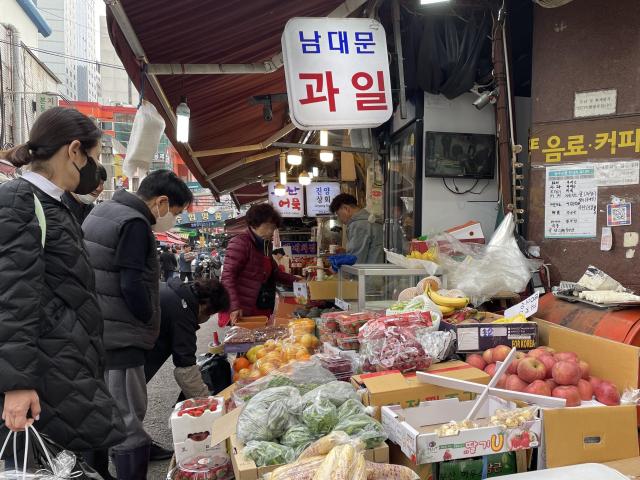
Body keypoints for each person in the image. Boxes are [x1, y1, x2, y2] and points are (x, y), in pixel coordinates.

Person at [0, 107, 125, 476]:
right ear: (74, 150)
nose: (94, 170)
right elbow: (13, 298)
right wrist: (17, 385)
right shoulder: (20, 201)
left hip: (68, 366)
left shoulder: (52, 204)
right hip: (48, 378)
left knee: (79, 465)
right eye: (93, 157)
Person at [83, 169, 193, 479]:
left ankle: (98, 473)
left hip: (95, 331)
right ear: (160, 202)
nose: (172, 218)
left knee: (102, 413)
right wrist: (146, 317)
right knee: (128, 418)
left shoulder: (103, 211)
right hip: (120, 336)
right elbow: (131, 282)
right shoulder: (134, 223)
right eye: (175, 211)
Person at [145, 278, 230, 397]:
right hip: (126, 356)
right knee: (126, 406)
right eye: (211, 314)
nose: (207, 319)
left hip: (117, 343)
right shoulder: (183, 313)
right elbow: (186, 368)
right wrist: (206, 403)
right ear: (206, 305)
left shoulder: (177, 292)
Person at [220, 204, 297, 326]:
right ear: (255, 224)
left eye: (274, 228)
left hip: (260, 306)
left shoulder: (265, 245)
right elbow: (227, 277)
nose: (272, 232)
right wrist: (234, 306)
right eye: (269, 227)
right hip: (243, 310)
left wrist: (297, 280)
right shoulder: (240, 242)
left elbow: (274, 274)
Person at [329, 193, 384, 264]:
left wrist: (337, 265)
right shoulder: (370, 220)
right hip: (378, 272)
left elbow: (356, 260)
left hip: (368, 274)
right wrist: (346, 253)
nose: (340, 220)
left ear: (346, 209)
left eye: (338, 215)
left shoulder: (358, 225)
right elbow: (367, 251)